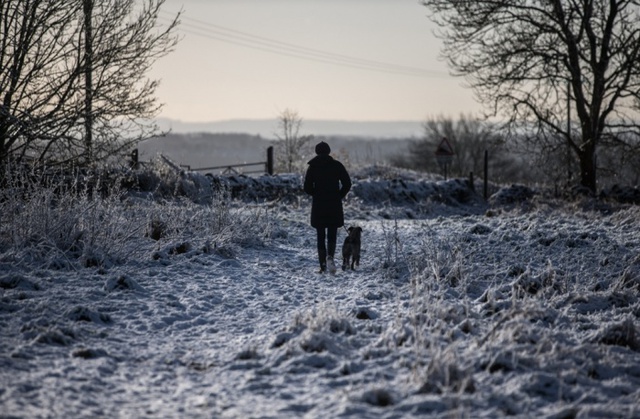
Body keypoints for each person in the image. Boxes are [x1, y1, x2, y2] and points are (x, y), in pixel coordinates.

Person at [303, 141, 351, 273]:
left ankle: (322, 265)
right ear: (329, 151)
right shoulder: (337, 165)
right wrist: (339, 195)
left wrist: (316, 194)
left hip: (319, 204)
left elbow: (307, 188)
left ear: (317, 151)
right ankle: (330, 256)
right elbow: (347, 183)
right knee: (332, 232)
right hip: (334, 204)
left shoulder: (312, 167)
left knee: (320, 234)